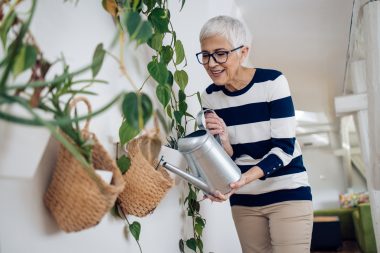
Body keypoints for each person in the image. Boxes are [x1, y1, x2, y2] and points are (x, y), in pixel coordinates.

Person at [197, 15, 313, 253]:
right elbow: (228, 155)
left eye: (220, 53)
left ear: (243, 51)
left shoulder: (272, 82)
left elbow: (284, 148)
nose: (212, 63)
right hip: (245, 201)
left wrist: (242, 179)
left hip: (287, 193)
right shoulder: (210, 96)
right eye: (206, 55)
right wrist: (225, 147)